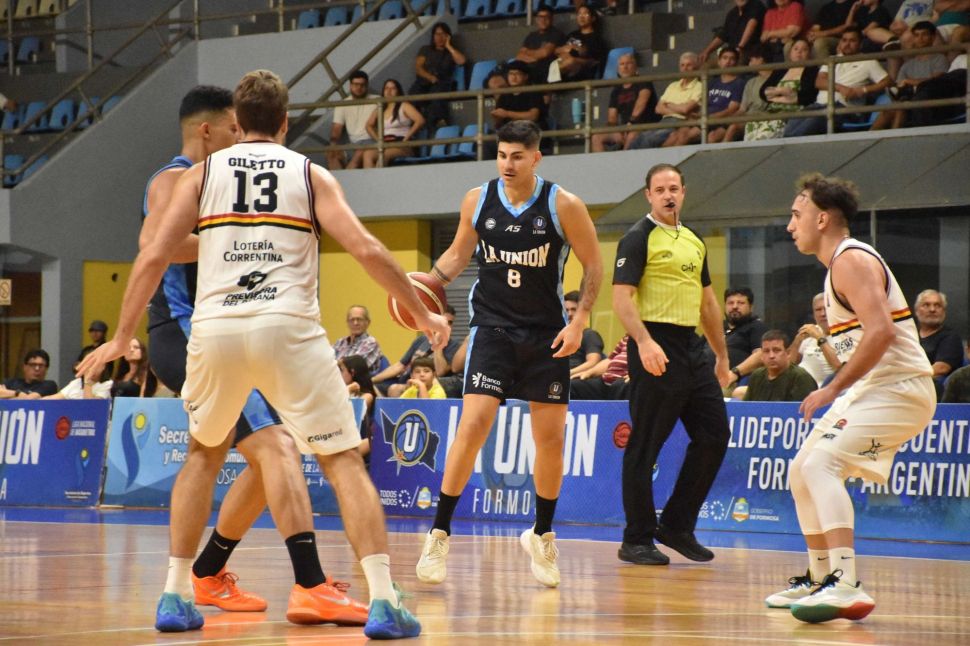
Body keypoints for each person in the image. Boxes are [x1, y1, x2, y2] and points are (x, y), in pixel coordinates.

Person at [82, 72, 450, 639]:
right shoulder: (309, 173)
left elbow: (153, 254)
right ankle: (383, 601)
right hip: (287, 328)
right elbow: (366, 248)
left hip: (216, 329)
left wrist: (121, 333)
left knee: (203, 456)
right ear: (284, 122)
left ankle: (176, 594)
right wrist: (422, 314)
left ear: (238, 123)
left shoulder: (201, 175)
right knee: (342, 460)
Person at [138, 85, 324, 624]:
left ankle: (204, 574)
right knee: (276, 446)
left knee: (253, 455)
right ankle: (309, 584)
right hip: (183, 330)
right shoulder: (174, 178)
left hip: (224, 333)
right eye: (232, 128)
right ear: (207, 131)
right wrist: (235, 238)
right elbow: (158, 246)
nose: (241, 137)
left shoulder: (224, 182)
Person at [414, 120, 603, 589]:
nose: (508, 164)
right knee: (473, 424)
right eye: (501, 155)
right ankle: (439, 533)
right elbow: (457, 255)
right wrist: (424, 290)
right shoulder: (478, 200)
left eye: (517, 156)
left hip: (546, 334)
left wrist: (580, 321)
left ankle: (542, 534)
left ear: (536, 157)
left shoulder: (563, 204)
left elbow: (594, 264)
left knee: (550, 438)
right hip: (492, 328)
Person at [767, 173, 935, 623]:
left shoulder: (851, 260)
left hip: (900, 388)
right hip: (874, 389)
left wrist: (832, 387)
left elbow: (881, 333)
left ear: (822, 219)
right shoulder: (837, 267)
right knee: (801, 469)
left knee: (822, 465)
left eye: (796, 214)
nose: (790, 225)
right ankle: (821, 577)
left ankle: (845, 583)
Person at [612, 163, 732, 566]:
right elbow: (622, 299)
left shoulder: (694, 240)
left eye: (674, 188)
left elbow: (709, 303)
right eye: (660, 189)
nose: (668, 195)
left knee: (714, 435)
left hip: (692, 348)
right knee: (646, 445)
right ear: (648, 195)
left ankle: (677, 526)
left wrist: (721, 356)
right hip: (654, 344)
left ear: (684, 192)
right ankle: (636, 538)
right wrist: (644, 341)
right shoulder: (638, 237)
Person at [783, 27, 891, 137]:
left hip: (846, 110)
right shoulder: (832, 59)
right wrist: (840, 88)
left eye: (852, 41)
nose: (847, 44)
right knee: (793, 120)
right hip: (819, 105)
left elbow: (887, 81)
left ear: (860, 44)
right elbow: (819, 81)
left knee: (813, 122)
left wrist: (863, 90)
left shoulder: (868, 61)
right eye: (844, 40)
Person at [373, 304, 460, 397]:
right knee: (372, 388)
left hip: (428, 386)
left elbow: (440, 372)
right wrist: (372, 380)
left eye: (450, 323)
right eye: (443, 322)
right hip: (406, 381)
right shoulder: (421, 340)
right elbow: (400, 366)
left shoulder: (454, 346)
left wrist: (437, 344)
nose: (446, 326)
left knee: (395, 389)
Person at [629, 52, 702, 149]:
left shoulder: (700, 86)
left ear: (696, 67)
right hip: (664, 121)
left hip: (680, 122)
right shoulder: (673, 85)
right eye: (682, 65)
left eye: (689, 65)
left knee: (649, 139)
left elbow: (686, 109)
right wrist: (678, 109)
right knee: (638, 139)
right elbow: (658, 108)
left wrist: (669, 105)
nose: (685, 68)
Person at [590, 52, 657, 152]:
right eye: (622, 64)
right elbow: (612, 118)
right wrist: (615, 129)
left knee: (632, 134)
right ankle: (602, 162)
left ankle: (623, 159)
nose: (625, 67)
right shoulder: (616, 90)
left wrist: (631, 123)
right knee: (596, 137)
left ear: (635, 67)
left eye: (628, 63)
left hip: (645, 126)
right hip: (625, 128)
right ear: (618, 69)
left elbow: (641, 103)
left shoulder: (644, 82)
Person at [755, 38, 820, 139]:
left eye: (804, 49)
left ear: (809, 54)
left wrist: (778, 94)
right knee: (753, 123)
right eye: (796, 49)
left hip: (795, 113)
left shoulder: (812, 71)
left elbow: (809, 95)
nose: (799, 52)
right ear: (790, 53)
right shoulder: (781, 70)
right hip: (772, 111)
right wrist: (783, 92)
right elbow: (763, 92)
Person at [409, 22, 466, 127]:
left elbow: (462, 61)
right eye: (437, 34)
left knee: (437, 97)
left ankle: (436, 123)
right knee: (413, 95)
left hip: (442, 82)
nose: (440, 37)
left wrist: (449, 46)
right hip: (424, 81)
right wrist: (430, 77)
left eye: (443, 34)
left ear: (448, 36)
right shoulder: (425, 49)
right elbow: (418, 68)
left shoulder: (451, 52)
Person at [363, 79, 426, 168]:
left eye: (393, 88)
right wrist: (379, 140)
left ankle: (379, 176)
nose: (389, 91)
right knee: (367, 154)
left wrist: (406, 139)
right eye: (386, 88)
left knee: (383, 155)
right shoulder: (380, 108)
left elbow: (420, 120)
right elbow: (368, 125)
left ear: (398, 91)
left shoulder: (404, 105)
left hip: (402, 143)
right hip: (386, 143)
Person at [741, 330, 818, 400]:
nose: (771, 356)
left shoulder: (800, 377)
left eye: (776, 350)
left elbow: (803, 409)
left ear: (788, 353)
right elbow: (746, 407)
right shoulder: (757, 375)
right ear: (761, 355)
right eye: (766, 351)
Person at [914, 288, 964, 396]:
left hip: (934, 391)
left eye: (937, 305)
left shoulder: (951, 337)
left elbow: (941, 368)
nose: (932, 309)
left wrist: (909, 378)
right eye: (926, 305)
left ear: (944, 311)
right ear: (917, 310)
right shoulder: (909, 335)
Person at [788, 292, 842, 386]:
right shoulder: (810, 331)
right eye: (818, 310)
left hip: (823, 389)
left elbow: (840, 368)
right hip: (798, 387)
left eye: (826, 308)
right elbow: (789, 365)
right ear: (813, 314)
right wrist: (797, 341)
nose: (823, 314)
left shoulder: (844, 334)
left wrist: (819, 338)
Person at [328, 70, 378, 170]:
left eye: (362, 85)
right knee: (331, 154)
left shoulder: (377, 100)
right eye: (356, 84)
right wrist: (333, 144)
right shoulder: (342, 104)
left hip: (371, 141)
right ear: (350, 85)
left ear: (367, 86)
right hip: (353, 144)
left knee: (359, 153)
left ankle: (345, 178)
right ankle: (338, 179)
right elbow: (336, 128)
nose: (359, 88)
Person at [720, 287, 767, 387]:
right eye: (730, 303)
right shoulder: (717, 328)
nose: (735, 306)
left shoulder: (756, 326)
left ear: (751, 307)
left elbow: (760, 355)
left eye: (740, 303)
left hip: (733, 382)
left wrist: (735, 373)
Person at [551, 4, 609, 82]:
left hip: (583, 73)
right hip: (563, 65)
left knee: (570, 62)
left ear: (593, 18)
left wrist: (572, 56)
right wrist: (567, 49)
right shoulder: (572, 35)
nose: (581, 17)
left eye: (585, 14)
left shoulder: (597, 39)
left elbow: (593, 62)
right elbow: (556, 50)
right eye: (579, 14)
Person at [699, 0, 767, 64]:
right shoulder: (732, 13)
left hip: (752, 55)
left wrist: (740, 47)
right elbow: (723, 35)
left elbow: (751, 25)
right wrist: (707, 51)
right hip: (734, 56)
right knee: (708, 66)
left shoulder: (757, 6)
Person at [514, 4, 567, 83]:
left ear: (552, 19)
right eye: (540, 17)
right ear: (536, 19)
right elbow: (519, 56)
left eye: (546, 17)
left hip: (546, 70)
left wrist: (528, 52)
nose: (543, 20)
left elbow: (545, 53)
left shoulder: (556, 33)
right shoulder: (531, 36)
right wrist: (535, 58)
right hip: (529, 68)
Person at [339, 354, 379, 457]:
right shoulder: (338, 391)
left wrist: (347, 390)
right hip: (338, 435)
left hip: (358, 439)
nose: (338, 374)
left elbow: (353, 413)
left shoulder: (367, 396)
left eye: (341, 370)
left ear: (352, 372)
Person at [569, 335, 631, 400]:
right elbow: (609, 360)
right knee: (572, 385)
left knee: (621, 385)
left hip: (623, 383)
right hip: (605, 381)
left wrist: (636, 375)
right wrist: (588, 372)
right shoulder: (627, 337)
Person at [44, 347, 113, 400]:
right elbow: (54, 398)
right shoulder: (76, 383)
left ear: (103, 366)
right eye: (88, 364)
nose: (92, 367)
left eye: (95, 363)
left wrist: (87, 380)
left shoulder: (107, 384)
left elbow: (90, 407)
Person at [333, 305, 385, 375]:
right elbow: (326, 362)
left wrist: (333, 364)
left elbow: (353, 368)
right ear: (347, 323)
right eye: (352, 320)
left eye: (359, 319)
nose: (355, 323)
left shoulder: (371, 343)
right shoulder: (340, 342)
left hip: (357, 381)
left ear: (368, 322)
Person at [564, 289, 604, 377]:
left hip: (577, 378)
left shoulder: (589, 335)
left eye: (574, 309)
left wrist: (566, 374)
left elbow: (593, 362)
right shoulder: (560, 337)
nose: (569, 314)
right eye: (566, 310)